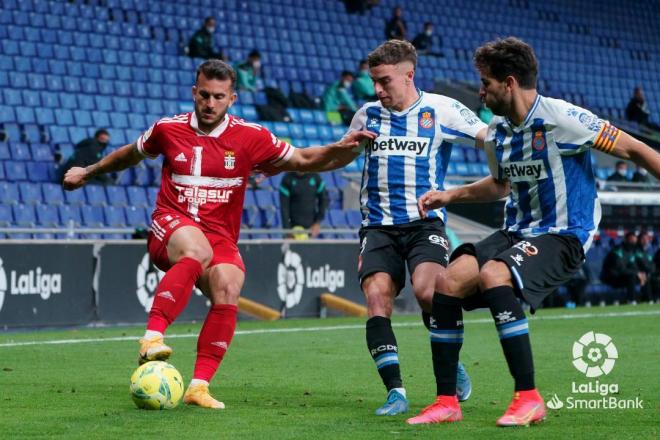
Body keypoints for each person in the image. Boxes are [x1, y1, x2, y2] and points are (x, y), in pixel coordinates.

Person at [62, 59, 374, 409]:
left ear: (232, 99)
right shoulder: (168, 128)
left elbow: (303, 159)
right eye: (205, 95)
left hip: (219, 236)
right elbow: (128, 155)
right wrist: (88, 171)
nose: (210, 104)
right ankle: (151, 338)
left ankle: (198, 386)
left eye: (219, 97)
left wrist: (349, 148)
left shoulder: (250, 137)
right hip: (172, 225)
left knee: (228, 284)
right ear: (194, 92)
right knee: (196, 250)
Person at [409, 37, 660, 426]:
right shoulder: (497, 132)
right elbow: (500, 185)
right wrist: (451, 195)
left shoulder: (563, 119)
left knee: (494, 274)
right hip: (516, 231)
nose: (480, 92)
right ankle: (447, 402)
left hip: (564, 235)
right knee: (446, 283)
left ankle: (528, 397)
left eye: (485, 83)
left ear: (508, 83)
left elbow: (636, 150)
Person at [315, 40, 487, 416]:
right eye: (373, 81)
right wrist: (344, 147)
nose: (377, 90)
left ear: (409, 75)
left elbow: (488, 140)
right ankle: (396, 392)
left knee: (430, 293)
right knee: (378, 299)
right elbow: (339, 156)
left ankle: (450, 362)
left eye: (384, 81)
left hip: (424, 224)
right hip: (377, 226)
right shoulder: (366, 114)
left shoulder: (442, 109)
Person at [601, 232, 647, 304]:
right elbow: (619, 269)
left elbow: (633, 266)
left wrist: (640, 274)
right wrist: (636, 273)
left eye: (634, 241)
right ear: (626, 240)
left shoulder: (631, 252)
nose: (633, 243)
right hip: (612, 277)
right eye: (631, 241)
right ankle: (631, 300)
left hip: (623, 276)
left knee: (645, 275)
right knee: (632, 276)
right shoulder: (617, 251)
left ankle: (648, 300)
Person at [279, 171, 328, 239]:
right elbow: (284, 207)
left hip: (311, 229)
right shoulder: (287, 179)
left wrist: (317, 222)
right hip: (292, 229)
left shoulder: (315, 177)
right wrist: (288, 231)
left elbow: (324, 199)